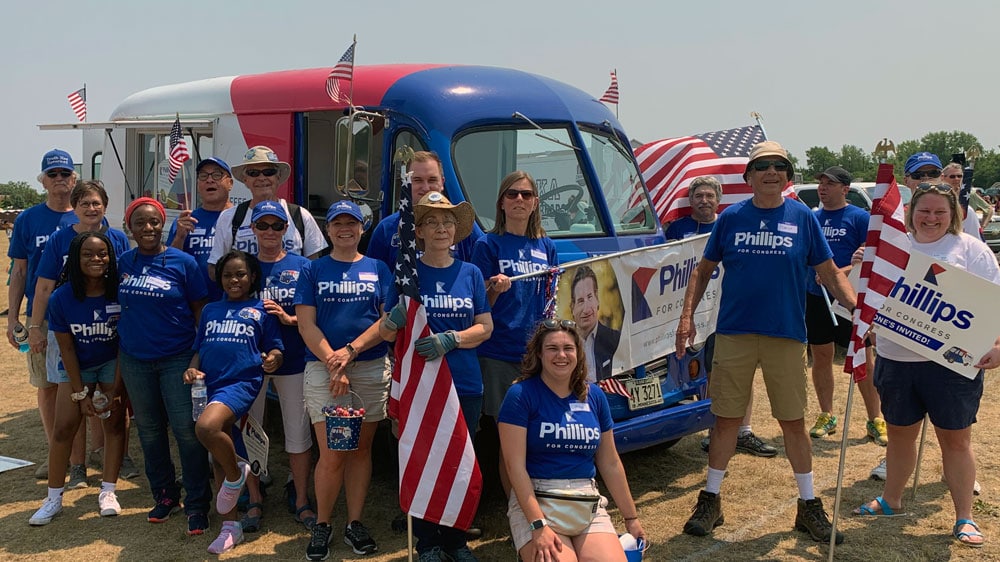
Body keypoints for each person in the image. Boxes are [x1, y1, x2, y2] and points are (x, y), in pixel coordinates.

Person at [675, 141, 856, 544]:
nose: (771, 172)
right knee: (726, 420)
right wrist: (686, 318)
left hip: (787, 335)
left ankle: (808, 506)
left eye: (779, 166)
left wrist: (859, 311)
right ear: (749, 176)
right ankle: (711, 500)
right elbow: (702, 271)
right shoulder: (731, 218)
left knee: (793, 422)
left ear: (788, 176)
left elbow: (829, 272)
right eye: (762, 166)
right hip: (736, 333)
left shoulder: (804, 219)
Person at [853, 183, 1000, 549]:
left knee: (955, 440)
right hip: (895, 360)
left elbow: (994, 303)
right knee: (900, 434)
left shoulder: (971, 250)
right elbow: (858, 291)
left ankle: (964, 516)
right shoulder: (891, 247)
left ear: (953, 215)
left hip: (951, 367)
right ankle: (891, 499)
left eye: (940, 212)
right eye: (924, 211)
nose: (931, 218)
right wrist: (861, 265)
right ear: (911, 211)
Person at [379, 192, 493, 562]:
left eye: (447, 222)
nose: (441, 228)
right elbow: (385, 331)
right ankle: (427, 542)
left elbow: (485, 327)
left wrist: (453, 339)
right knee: (422, 458)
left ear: (456, 231)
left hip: (464, 382)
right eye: (431, 222)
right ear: (421, 232)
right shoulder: (408, 275)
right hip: (421, 386)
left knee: (460, 461)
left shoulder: (472, 273)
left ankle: (456, 541)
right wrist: (393, 322)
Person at [498, 319, 645, 561]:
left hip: (585, 499)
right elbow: (514, 467)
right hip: (538, 498)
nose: (561, 355)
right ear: (539, 354)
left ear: (578, 352)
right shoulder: (520, 395)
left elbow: (610, 463)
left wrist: (631, 518)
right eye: (552, 348)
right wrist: (538, 526)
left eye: (568, 348)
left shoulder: (594, 396)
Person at [297, 200, 392, 560]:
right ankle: (323, 523)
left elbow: (387, 323)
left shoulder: (378, 268)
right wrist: (334, 364)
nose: (344, 229)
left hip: (367, 367)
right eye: (337, 223)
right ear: (328, 229)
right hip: (324, 370)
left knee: (361, 450)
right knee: (333, 451)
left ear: (362, 228)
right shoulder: (313, 269)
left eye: (351, 223)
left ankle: (355, 522)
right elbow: (306, 324)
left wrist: (350, 352)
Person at [117, 197, 213, 536]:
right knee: (149, 430)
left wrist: (198, 354)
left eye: (154, 221)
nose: (147, 228)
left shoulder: (183, 262)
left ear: (163, 224)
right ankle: (165, 494)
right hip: (135, 360)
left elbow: (201, 309)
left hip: (177, 358)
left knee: (187, 431)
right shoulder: (123, 263)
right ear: (130, 226)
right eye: (140, 222)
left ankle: (198, 503)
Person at [28, 181, 131, 489]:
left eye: (97, 203)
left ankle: (116, 456)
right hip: (68, 329)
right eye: (84, 203)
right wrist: (35, 327)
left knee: (113, 395)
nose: (91, 208)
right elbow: (44, 286)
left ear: (105, 205)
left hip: (107, 328)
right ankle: (77, 466)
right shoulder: (61, 239)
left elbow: (125, 279)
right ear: (75, 206)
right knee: (74, 398)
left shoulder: (117, 238)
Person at [667, 177, 776, 458]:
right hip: (689, 313)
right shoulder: (677, 229)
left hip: (727, 311)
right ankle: (713, 430)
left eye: (709, 195)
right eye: (698, 196)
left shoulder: (731, 225)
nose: (704, 200)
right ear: (690, 200)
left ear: (718, 199)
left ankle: (744, 431)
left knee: (738, 372)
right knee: (704, 374)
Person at [185, 250, 283, 554]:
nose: (234, 280)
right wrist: (192, 367)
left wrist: (273, 359)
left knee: (207, 428)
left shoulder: (261, 309)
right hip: (208, 385)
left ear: (252, 276)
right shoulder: (212, 310)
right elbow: (199, 348)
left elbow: (276, 348)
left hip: (241, 382)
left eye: (240, 274)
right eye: (228, 275)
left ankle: (235, 476)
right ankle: (230, 526)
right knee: (217, 449)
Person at [471, 171, 558, 494]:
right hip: (498, 353)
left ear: (536, 202)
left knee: (537, 434)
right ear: (501, 203)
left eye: (525, 195)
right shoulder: (488, 244)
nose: (519, 200)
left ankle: (538, 503)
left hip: (536, 354)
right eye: (512, 194)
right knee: (510, 437)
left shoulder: (546, 246)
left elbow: (551, 300)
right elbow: (478, 305)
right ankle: (518, 511)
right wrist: (494, 288)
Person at [239, 201, 315, 534]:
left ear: (287, 229)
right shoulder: (243, 266)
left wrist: (289, 319)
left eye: (277, 226)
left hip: (295, 358)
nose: (270, 232)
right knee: (250, 430)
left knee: (298, 434)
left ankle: (301, 499)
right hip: (252, 361)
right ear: (253, 229)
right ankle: (254, 497)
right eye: (263, 225)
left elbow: (316, 315)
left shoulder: (304, 266)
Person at [7, 149, 78, 479]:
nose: (60, 179)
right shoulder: (28, 219)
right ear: (44, 181)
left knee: (84, 382)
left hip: (80, 313)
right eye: (54, 175)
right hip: (43, 315)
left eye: (65, 173)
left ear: (74, 178)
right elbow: (19, 271)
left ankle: (89, 454)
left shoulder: (86, 215)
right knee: (48, 384)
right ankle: (56, 451)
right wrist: (15, 320)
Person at [805, 167, 886, 447]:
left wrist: (837, 272)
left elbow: (870, 259)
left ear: (845, 188)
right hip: (816, 297)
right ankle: (827, 414)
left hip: (849, 299)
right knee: (821, 355)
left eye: (830, 183)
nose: (823, 188)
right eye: (821, 183)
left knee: (863, 357)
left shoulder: (860, 218)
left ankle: (875, 418)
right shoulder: (812, 218)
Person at [207, 146, 326, 279]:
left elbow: (314, 266)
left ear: (278, 177)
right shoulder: (229, 217)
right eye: (253, 173)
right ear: (245, 180)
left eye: (268, 172)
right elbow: (214, 267)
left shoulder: (301, 215)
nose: (261, 178)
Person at [367, 151, 480, 268]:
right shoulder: (386, 229)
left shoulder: (464, 226)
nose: (426, 188)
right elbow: (374, 277)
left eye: (432, 180)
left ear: (442, 182)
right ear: (406, 183)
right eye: (417, 180)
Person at [168, 157, 235, 302]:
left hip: (233, 306)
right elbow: (169, 264)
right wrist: (179, 237)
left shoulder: (240, 217)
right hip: (194, 305)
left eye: (217, 175)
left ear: (230, 183)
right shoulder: (186, 220)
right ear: (198, 184)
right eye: (203, 176)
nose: (209, 180)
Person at [904, 153, 978, 237]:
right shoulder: (897, 215)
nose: (926, 178)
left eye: (933, 173)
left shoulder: (964, 212)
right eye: (918, 175)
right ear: (906, 181)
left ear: (942, 177)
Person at [569, 265, 620, 382]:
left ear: (597, 299)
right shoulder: (564, 346)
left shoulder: (616, 339)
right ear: (572, 307)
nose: (586, 309)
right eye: (580, 301)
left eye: (590, 297)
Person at [941, 162, 993, 230]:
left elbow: (989, 210)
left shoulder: (970, 194)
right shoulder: (939, 195)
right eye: (952, 176)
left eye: (959, 176)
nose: (956, 179)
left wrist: (982, 227)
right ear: (943, 177)